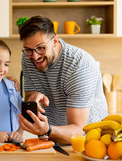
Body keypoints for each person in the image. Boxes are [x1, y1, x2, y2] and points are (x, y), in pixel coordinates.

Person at [18, 15, 108, 144]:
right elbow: (31, 100)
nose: (35, 56)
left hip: (89, 142)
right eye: (28, 50)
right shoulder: (28, 59)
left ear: (55, 41)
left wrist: (47, 130)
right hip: (53, 139)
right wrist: (35, 97)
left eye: (41, 48)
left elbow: (78, 130)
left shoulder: (79, 65)